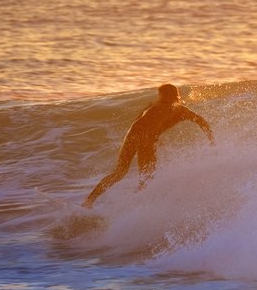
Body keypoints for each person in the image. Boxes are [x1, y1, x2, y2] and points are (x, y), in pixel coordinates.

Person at [83, 83, 214, 207]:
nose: (162, 99)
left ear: (174, 96)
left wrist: (212, 140)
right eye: (161, 96)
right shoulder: (162, 107)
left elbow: (201, 121)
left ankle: (133, 204)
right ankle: (89, 201)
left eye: (164, 96)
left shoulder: (179, 110)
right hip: (136, 135)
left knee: (143, 176)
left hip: (140, 136)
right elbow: (142, 122)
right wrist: (152, 138)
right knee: (124, 172)